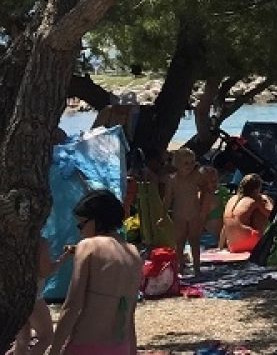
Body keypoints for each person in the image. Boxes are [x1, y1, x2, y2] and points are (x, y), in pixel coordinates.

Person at [49, 190, 143, 355]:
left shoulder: (88, 246)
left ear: (96, 220)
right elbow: (129, 315)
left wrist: (54, 350)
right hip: (120, 347)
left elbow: (72, 306)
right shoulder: (133, 253)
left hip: (85, 346)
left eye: (81, 224)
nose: (80, 231)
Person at [12, 240, 70, 355]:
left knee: (23, 339)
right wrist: (62, 260)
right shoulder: (39, 243)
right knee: (47, 337)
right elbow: (44, 271)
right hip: (33, 297)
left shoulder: (12, 240)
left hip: (14, 296)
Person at [162, 147, 205, 276]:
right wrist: (163, 215)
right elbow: (168, 198)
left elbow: (206, 190)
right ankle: (180, 267)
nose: (190, 166)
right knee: (179, 241)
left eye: (192, 162)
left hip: (194, 213)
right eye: (186, 163)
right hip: (179, 213)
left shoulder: (197, 176)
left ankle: (197, 267)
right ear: (177, 164)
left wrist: (203, 207)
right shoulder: (172, 179)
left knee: (194, 240)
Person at [220, 173, 274, 253]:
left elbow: (225, 226)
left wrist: (220, 247)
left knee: (231, 221)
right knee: (259, 214)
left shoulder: (231, 199)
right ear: (256, 189)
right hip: (247, 242)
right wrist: (267, 201)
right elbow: (272, 216)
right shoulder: (254, 201)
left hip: (232, 245)